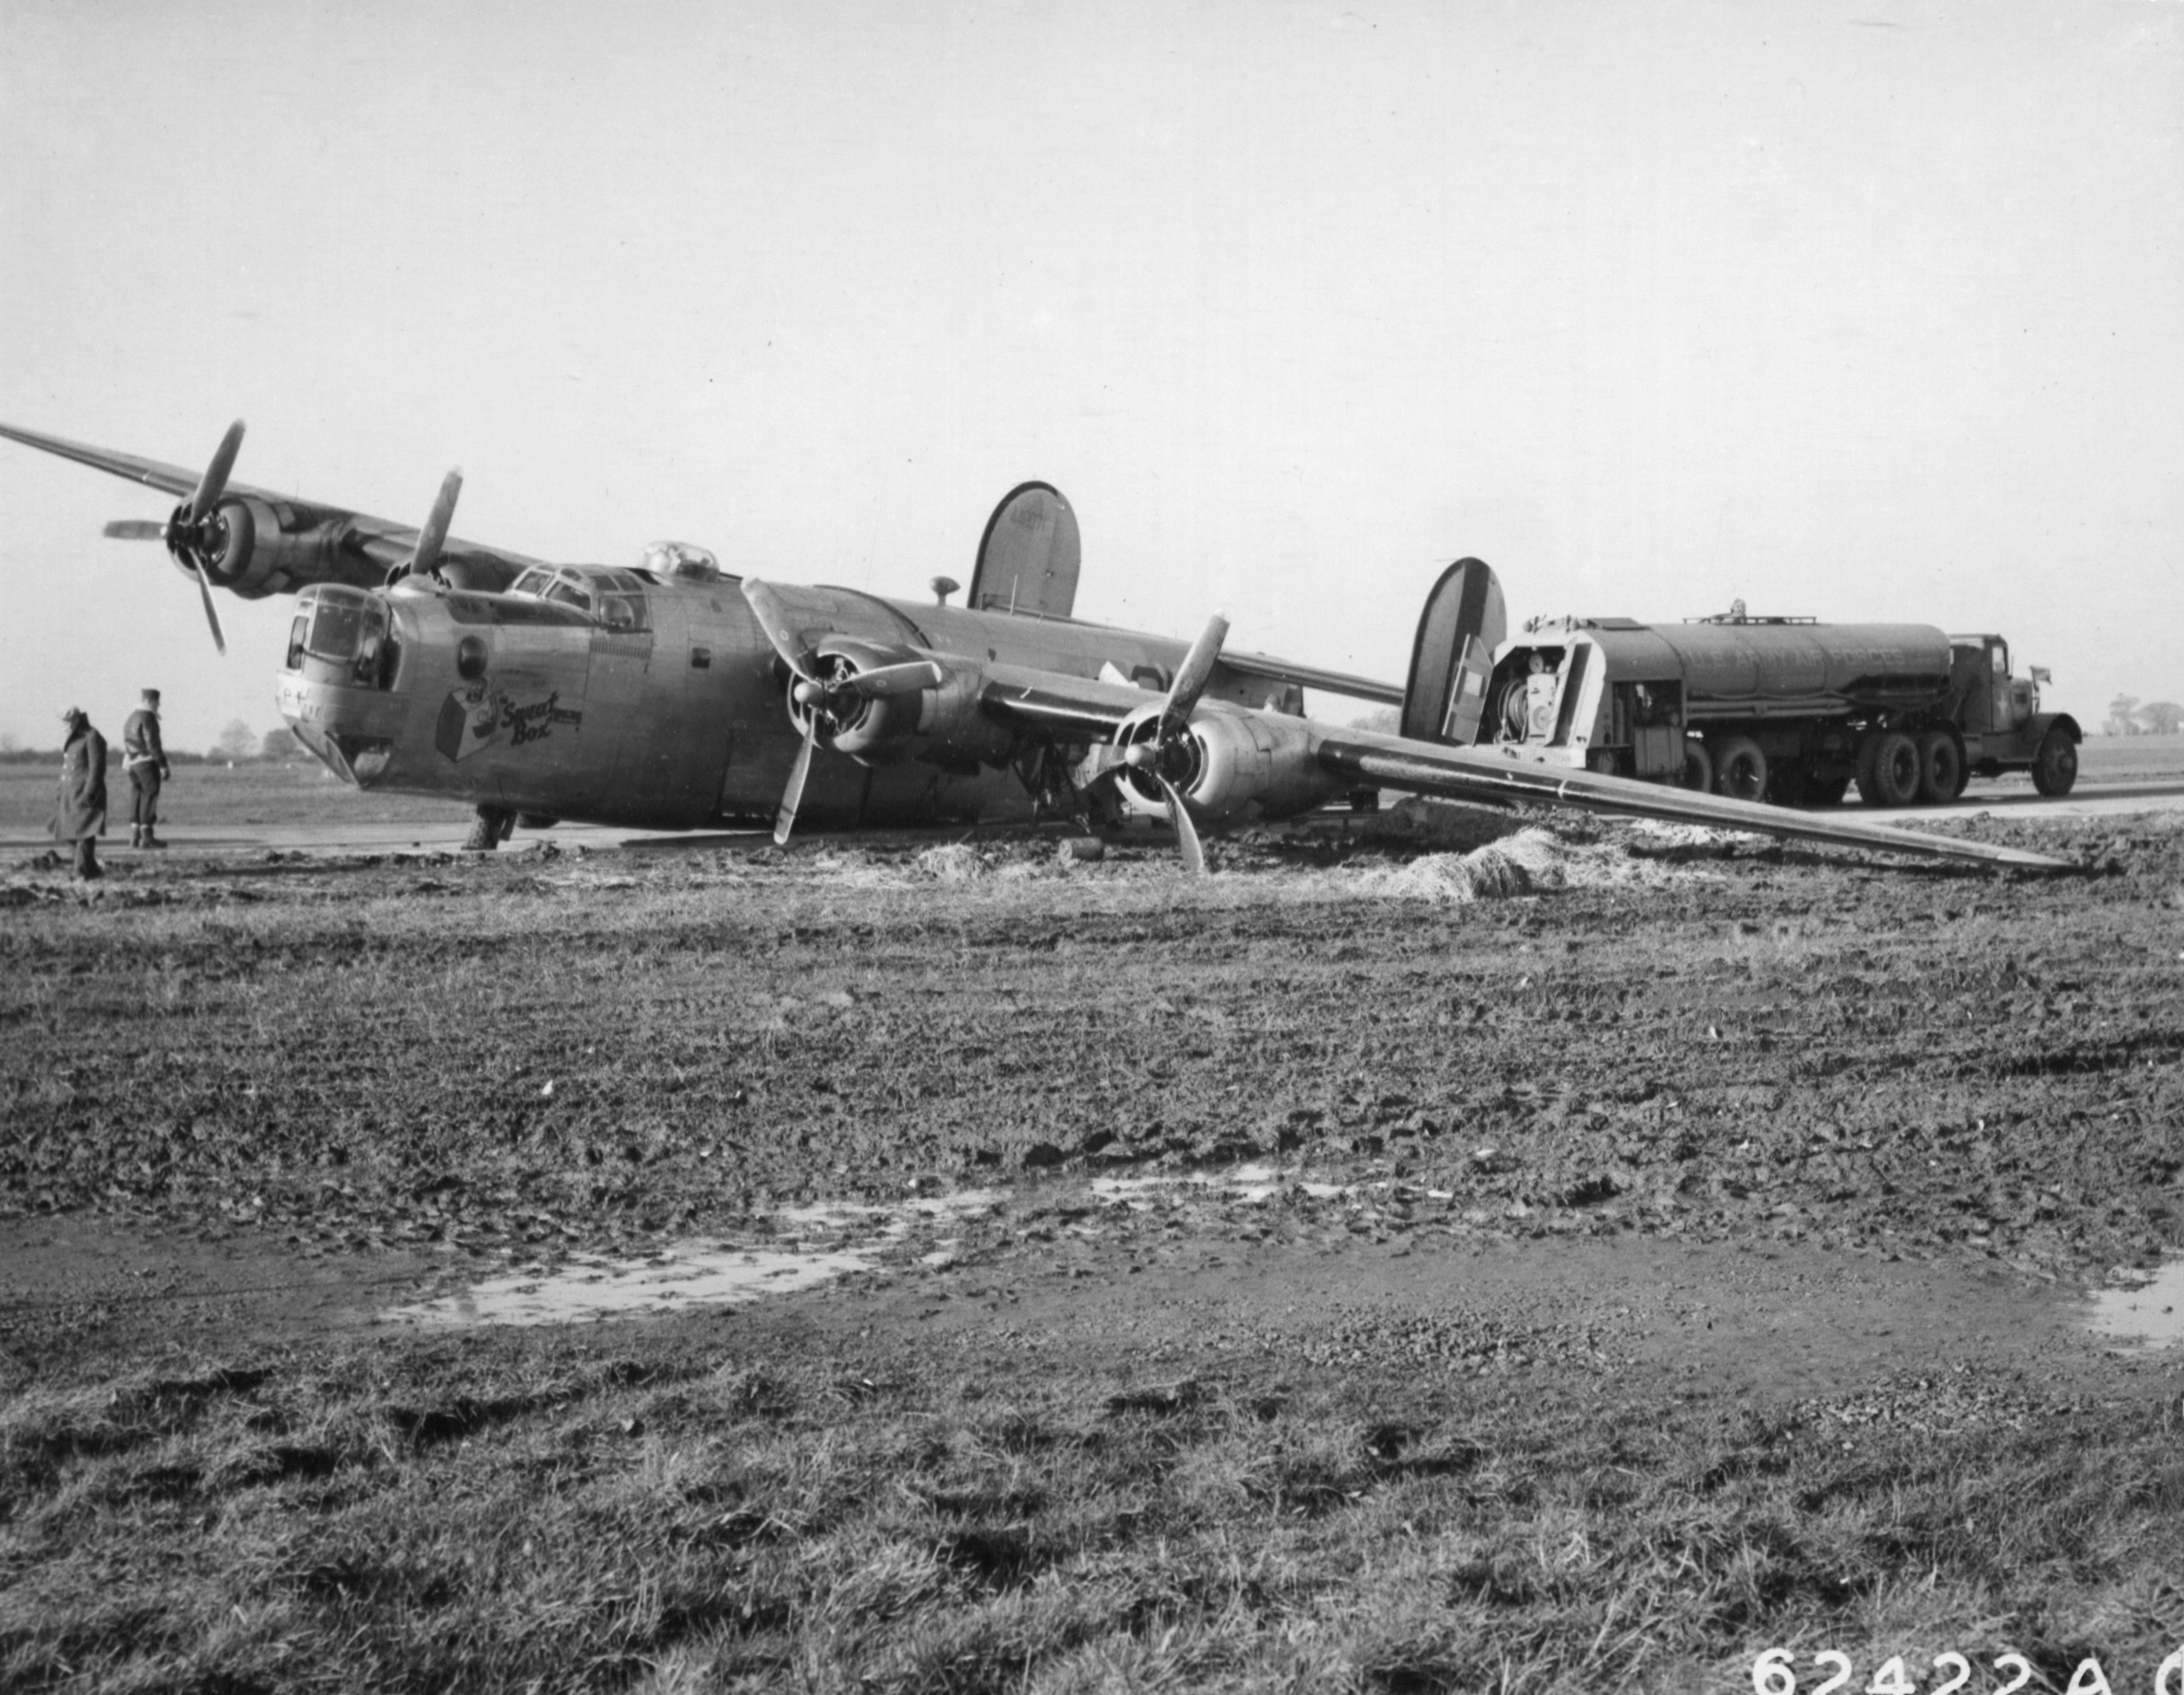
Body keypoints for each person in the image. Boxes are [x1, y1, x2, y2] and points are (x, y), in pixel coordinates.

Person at [53, 707, 108, 880]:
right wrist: (60, 789)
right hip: (70, 794)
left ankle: (81, 873)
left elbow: (97, 768)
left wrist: (90, 793)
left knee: (85, 833)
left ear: (77, 720)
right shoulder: (73, 739)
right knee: (69, 833)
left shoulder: (92, 736)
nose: (65, 726)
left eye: (67, 723)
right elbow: (67, 768)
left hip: (85, 794)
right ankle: (91, 870)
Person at [120, 687, 172, 848]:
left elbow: (129, 743)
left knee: (137, 795)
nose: (159, 705)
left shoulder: (131, 718)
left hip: (133, 763)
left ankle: (135, 835)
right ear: (150, 701)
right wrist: (163, 765)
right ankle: (147, 836)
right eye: (157, 702)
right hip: (147, 762)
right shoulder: (148, 717)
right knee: (150, 795)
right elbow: (153, 744)